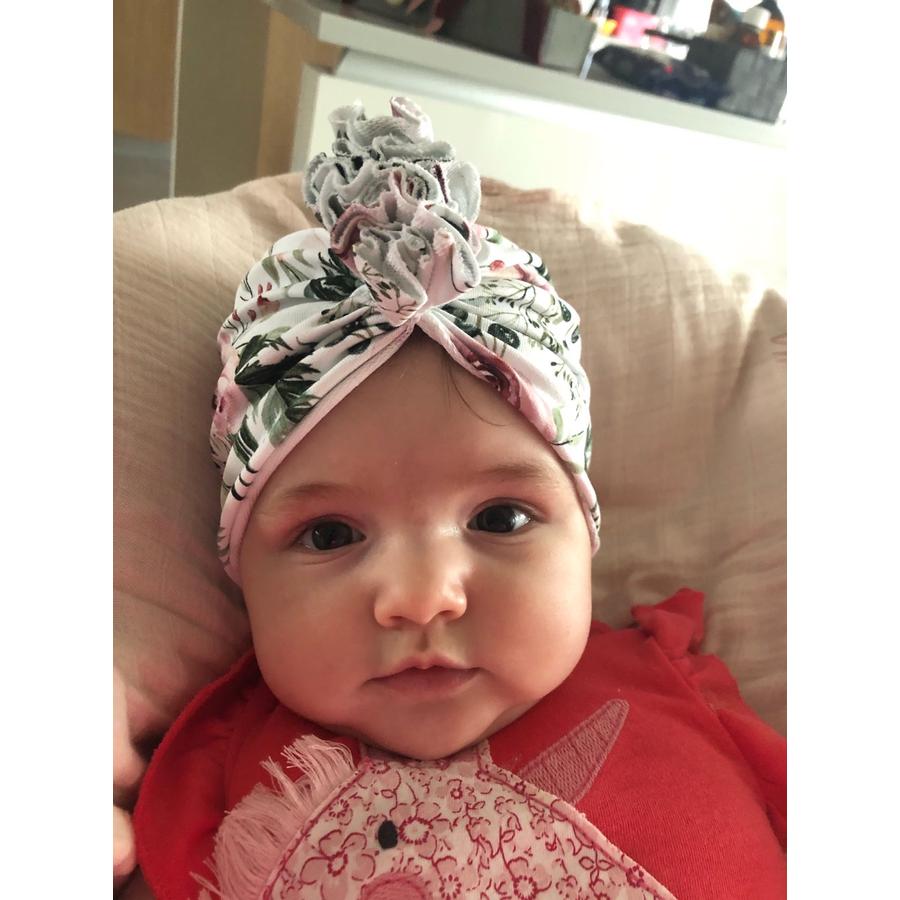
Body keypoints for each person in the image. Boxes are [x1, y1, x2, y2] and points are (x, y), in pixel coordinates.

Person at [132, 97, 786, 899]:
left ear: (586, 538)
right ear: (243, 577)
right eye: (330, 534)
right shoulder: (222, 758)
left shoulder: (675, 682)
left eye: (501, 518)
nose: (422, 598)